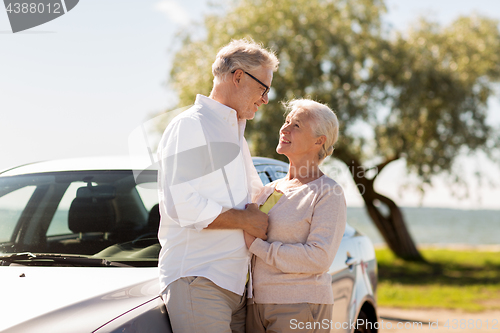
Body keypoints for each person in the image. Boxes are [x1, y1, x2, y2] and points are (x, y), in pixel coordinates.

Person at [156, 39, 279, 333]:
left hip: (237, 287)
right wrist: (245, 220)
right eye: (264, 89)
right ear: (238, 77)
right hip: (199, 281)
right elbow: (181, 204)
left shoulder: (235, 133)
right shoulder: (191, 125)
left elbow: (256, 196)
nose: (265, 100)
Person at [244, 99, 347, 333]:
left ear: (319, 141)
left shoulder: (328, 192)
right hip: (255, 306)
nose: (285, 129)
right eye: (286, 122)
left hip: (299, 306)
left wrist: (258, 246)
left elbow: (318, 257)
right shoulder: (268, 190)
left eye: (297, 125)